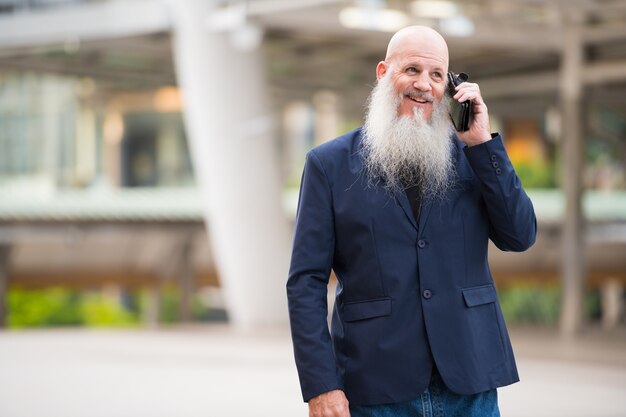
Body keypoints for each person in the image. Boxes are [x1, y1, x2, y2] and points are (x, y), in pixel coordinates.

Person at [286, 25, 537, 417]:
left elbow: (520, 236)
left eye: (437, 75)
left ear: (450, 87)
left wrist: (484, 145)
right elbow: (306, 283)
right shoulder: (328, 165)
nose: (424, 85)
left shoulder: (474, 156)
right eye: (412, 70)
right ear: (383, 73)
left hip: (469, 381)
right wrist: (322, 385)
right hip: (375, 384)